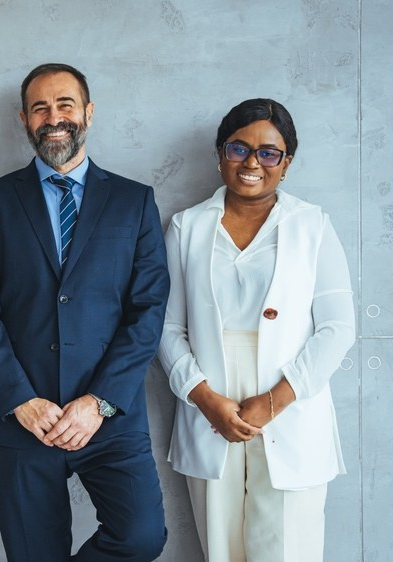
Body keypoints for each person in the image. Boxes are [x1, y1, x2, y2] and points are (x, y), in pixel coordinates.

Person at [0, 63, 170, 561]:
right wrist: (21, 400)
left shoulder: (135, 202)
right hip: (18, 417)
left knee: (141, 536)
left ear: (88, 113)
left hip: (110, 416)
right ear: (25, 120)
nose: (54, 117)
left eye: (65, 104)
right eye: (40, 108)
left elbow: (148, 310)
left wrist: (99, 402)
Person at [157, 98, 355, 562]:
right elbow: (166, 326)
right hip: (211, 404)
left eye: (269, 152)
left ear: (286, 163)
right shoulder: (186, 228)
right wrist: (204, 399)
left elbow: (337, 328)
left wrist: (274, 402)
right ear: (220, 154)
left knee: (287, 549)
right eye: (238, 148)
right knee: (221, 550)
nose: (251, 162)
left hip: (289, 399)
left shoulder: (312, 226)